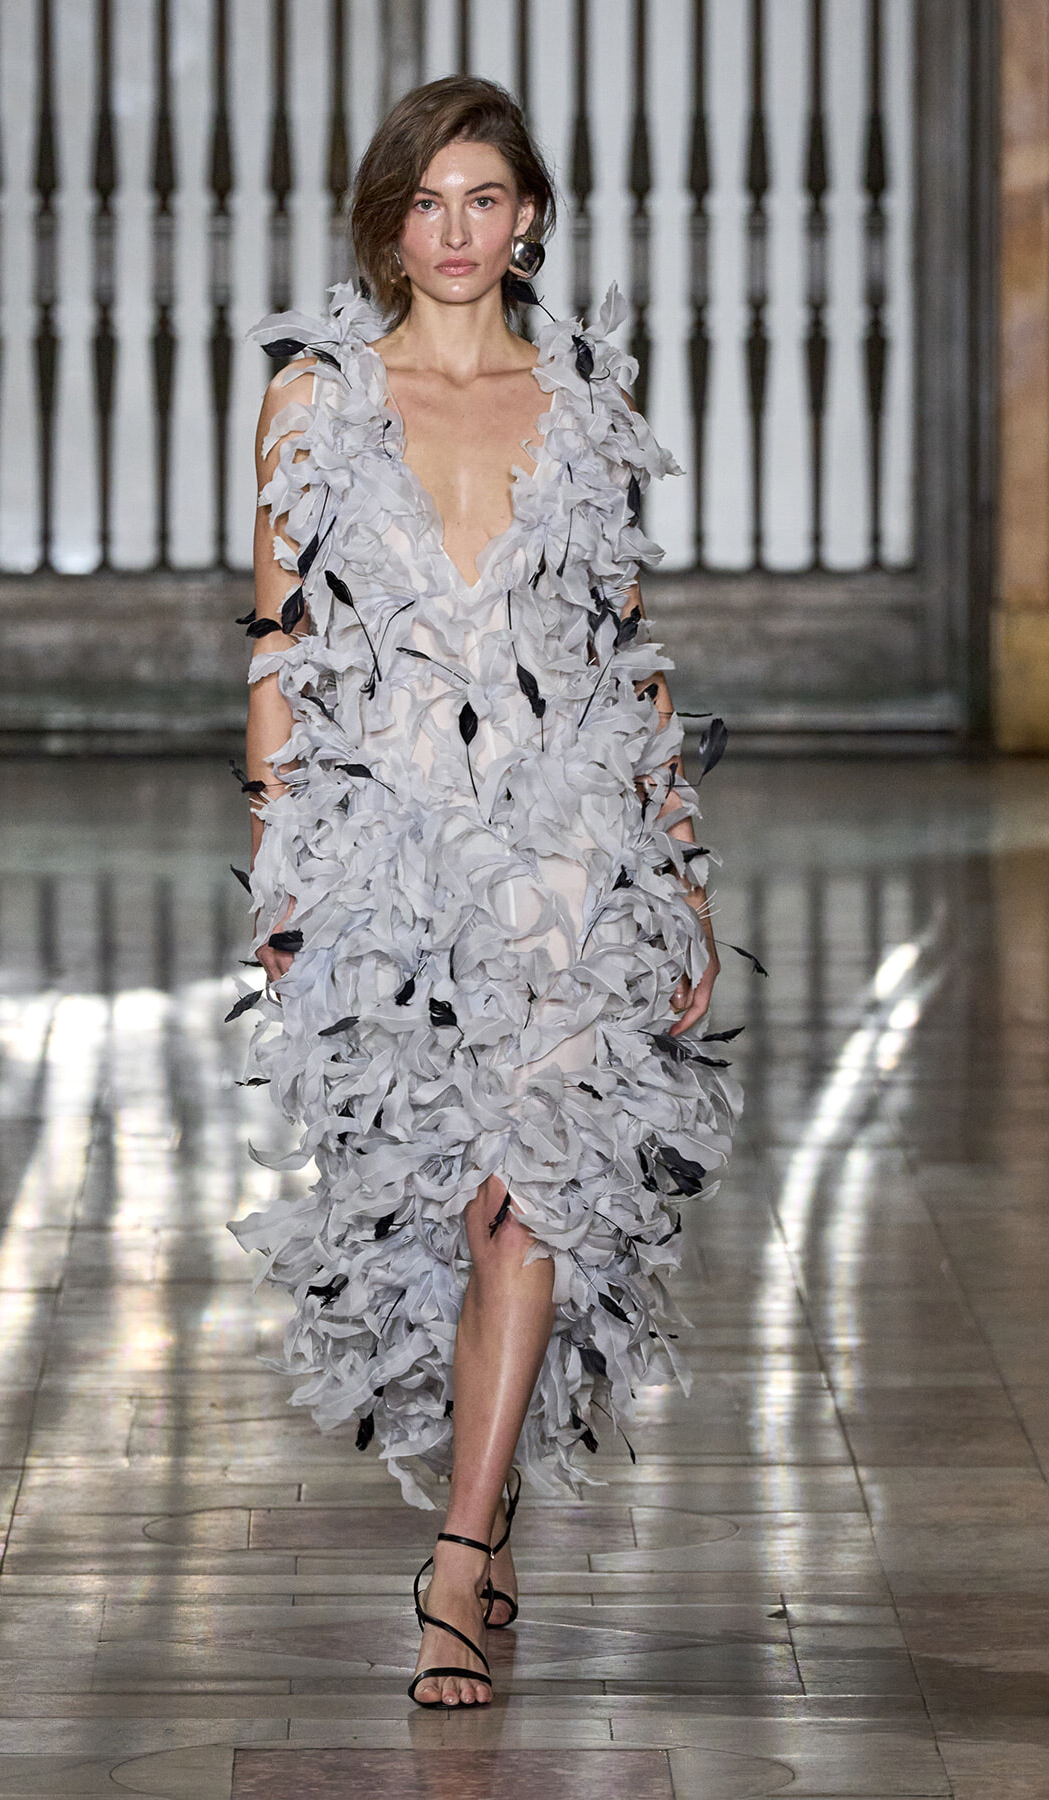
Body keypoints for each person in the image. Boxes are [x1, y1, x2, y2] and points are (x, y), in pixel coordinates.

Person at [230, 76, 740, 1710]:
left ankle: (457, 1550)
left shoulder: (584, 402)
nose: (456, 232)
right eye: (427, 201)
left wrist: (684, 873)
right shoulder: (317, 397)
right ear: (390, 218)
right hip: (383, 839)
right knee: (437, 1198)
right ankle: (493, 1486)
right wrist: (277, 857)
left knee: (534, 1177)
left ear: (530, 218)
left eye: (486, 199)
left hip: (568, 839)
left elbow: (623, 645)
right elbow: (283, 642)